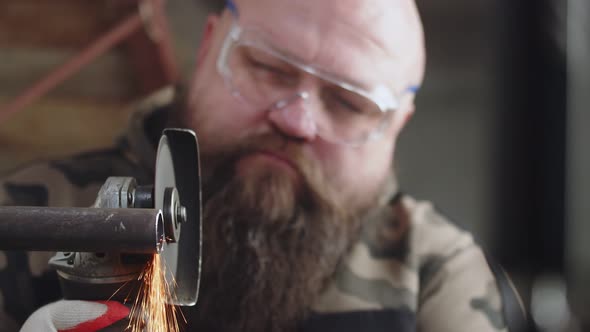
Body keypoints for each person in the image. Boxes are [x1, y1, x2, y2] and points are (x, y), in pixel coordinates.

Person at [0, 0, 526, 331]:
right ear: (208, 48)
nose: (297, 120)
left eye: (348, 103)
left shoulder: (438, 274)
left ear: (398, 124)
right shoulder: (30, 215)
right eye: (268, 69)